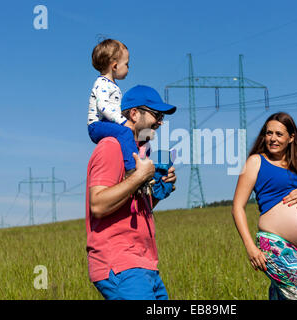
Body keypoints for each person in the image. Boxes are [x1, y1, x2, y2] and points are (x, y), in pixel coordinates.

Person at [86, 85, 177, 300]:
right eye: (157, 114)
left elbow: (130, 208)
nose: (161, 121)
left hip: (145, 264)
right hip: (121, 264)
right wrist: (139, 176)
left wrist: (158, 191)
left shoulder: (137, 153)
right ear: (135, 113)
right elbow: (98, 205)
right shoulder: (111, 146)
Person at [232, 112, 297, 300]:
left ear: (291, 138)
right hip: (276, 246)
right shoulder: (256, 162)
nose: (272, 138)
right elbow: (237, 207)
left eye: (279, 134)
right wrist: (250, 247)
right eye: (269, 133)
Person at [87, 38, 138, 174]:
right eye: (127, 64)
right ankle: (132, 168)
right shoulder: (102, 83)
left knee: (130, 134)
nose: (128, 68)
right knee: (125, 131)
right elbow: (103, 106)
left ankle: (133, 161)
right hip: (97, 125)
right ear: (114, 66)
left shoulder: (111, 84)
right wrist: (124, 122)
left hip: (105, 123)